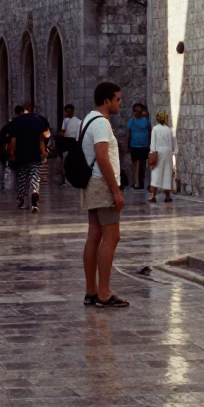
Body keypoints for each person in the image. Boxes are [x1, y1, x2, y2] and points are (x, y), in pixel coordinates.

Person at [81, 80, 128, 308]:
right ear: (107, 100)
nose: (120, 103)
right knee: (111, 236)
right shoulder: (101, 124)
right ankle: (104, 292)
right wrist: (116, 191)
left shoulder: (87, 120)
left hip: (92, 183)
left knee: (94, 235)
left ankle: (91, 290)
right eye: (118, 98)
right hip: (102, 184)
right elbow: (102, 157)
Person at [8, 103, 50, 213]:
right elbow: (43, 137)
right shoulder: (39, 120)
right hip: (35, 153)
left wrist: (12, 153)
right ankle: (35, 193)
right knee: (34, 175)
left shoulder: (16, 122)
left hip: (20, 154)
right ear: (32, 109)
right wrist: (44, 151)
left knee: (22, 177)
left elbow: (13, 140)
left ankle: (22, 199)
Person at [149, 111, 176, 203]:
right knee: (167, 173)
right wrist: (174, 151)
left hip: (158, 152)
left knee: (156, 173)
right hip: (168, 153)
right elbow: (173, 143)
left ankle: (153, 196)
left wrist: (152, 152)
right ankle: (167, 197)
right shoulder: (169, 129)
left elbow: (153, 142)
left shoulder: (155, 129)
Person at [126, 102, 152, 190]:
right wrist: (128, 145)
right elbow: (128, 134)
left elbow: (149, 132)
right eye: (135, 111)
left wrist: (150, 143)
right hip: (134, 146)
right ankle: (136, 183)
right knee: (136, 165)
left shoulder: (145, 120)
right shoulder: (132, 120)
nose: (136, 112)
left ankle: (141, 183)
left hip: (144, 146)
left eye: (137, 111)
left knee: (143, 165)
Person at [55, 104, 81, 185]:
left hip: (71, 143)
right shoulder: (69, 121)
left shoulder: (77, 121)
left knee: (66, 161)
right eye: (66, 112)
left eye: (68, 112)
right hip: (69, 143)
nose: (67, 114)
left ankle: (66, 178)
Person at [0, 105, 23, 189]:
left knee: (8, 170)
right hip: (16, 152)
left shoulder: (8, 125)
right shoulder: (19, 125)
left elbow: (1, 140)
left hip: (8, 152)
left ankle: (6, 187)